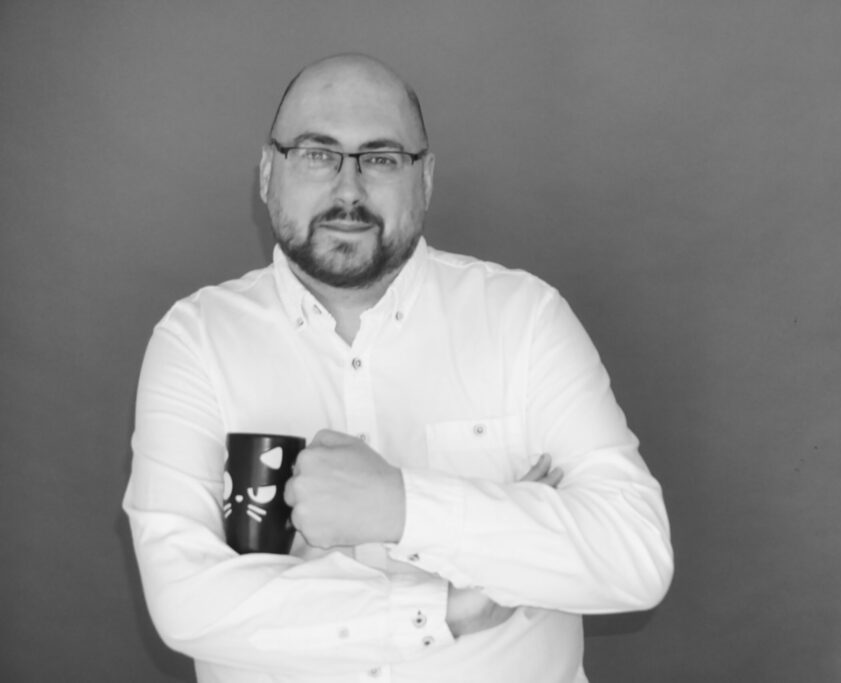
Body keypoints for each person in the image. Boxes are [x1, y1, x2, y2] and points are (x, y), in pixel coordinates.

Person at [123, 53, 673, 683]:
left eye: (381, 158)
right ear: (268, 173)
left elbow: (635, 556)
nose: (348, 190)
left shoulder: (523, 319)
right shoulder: (197, 341)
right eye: (317, 154)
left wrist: (402, 506)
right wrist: (445, 606)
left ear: (426, 179)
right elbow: (186, 601)